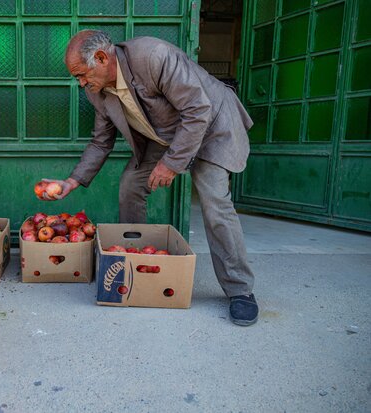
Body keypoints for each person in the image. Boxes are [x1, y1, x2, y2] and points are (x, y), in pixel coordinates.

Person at [41, 30, 259, 326]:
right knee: (131, 184)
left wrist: (171, 164)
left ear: (102, 58)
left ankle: (240, 291)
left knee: (214, 203)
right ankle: (136, 263)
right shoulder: (97, 91)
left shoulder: (154, 56)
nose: (81, 83)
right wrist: (72, 181)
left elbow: (198, 110)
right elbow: (100, 141)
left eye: (82, 74)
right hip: (168, 133)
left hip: (212, 126)